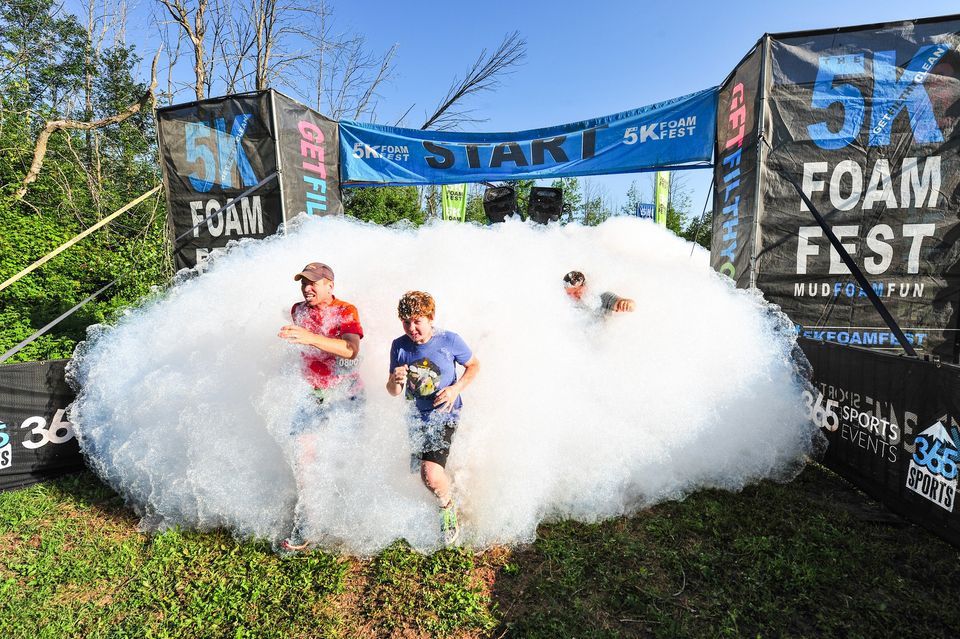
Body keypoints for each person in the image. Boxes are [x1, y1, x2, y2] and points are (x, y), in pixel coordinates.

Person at [277, 261, 364, 552]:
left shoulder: (345, 311)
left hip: (345, 394)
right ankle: (308, 523)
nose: (307, 288)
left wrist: (309, 338)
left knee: (344, 460)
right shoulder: (297, 310)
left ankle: (349, 520)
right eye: (303, 282)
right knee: (304, 457)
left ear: (330, 285)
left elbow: (351, 351)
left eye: (313, 282)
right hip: (310, 394)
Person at [386, 291, 480, 546]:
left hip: (444, 416)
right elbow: (393, 391)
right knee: (419, 471)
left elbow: (474, 366)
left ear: (431, 318)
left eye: (417, 321)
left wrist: (455, 389)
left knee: (429, 474)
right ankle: (444, 488)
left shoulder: (449, 340)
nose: (412, 328)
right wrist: (395, 382)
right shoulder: (399, 346)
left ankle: (448, 507)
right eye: (406, 322)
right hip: (415, 418)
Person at [562, 270, 636, 314]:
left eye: (577, 292)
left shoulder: (597, 297)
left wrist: (627, 303)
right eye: (569, 293)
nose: (573, 296)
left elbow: (616, 301)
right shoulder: (564, 303)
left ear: (585, 286)